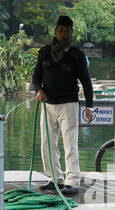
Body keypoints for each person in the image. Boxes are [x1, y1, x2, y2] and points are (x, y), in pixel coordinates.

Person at [31, 15, 94, 196]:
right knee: (47, 143)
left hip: (69, 105)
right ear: (56, 31)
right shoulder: (44, 52)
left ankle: (72, 181)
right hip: (47, 105)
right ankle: (55, 179)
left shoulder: (76, 55)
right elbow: (36, 76)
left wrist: (89, 106)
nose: (63, 34)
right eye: (60, 30)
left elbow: (86, 82)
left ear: (71, 33)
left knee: (70, 144)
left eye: (67, 31)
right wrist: (38, 90)